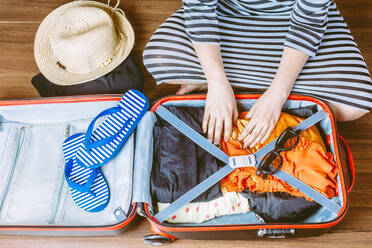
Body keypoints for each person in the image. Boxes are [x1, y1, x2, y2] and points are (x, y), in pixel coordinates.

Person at [143, 0, 372, 147]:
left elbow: (308, 21)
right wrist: (216, 81)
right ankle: (231, 80)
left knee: (356, 104)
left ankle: (241, 81)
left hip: (298, 21)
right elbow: (200, 9)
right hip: (228, 15)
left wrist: (277, 95)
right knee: (157, 58)